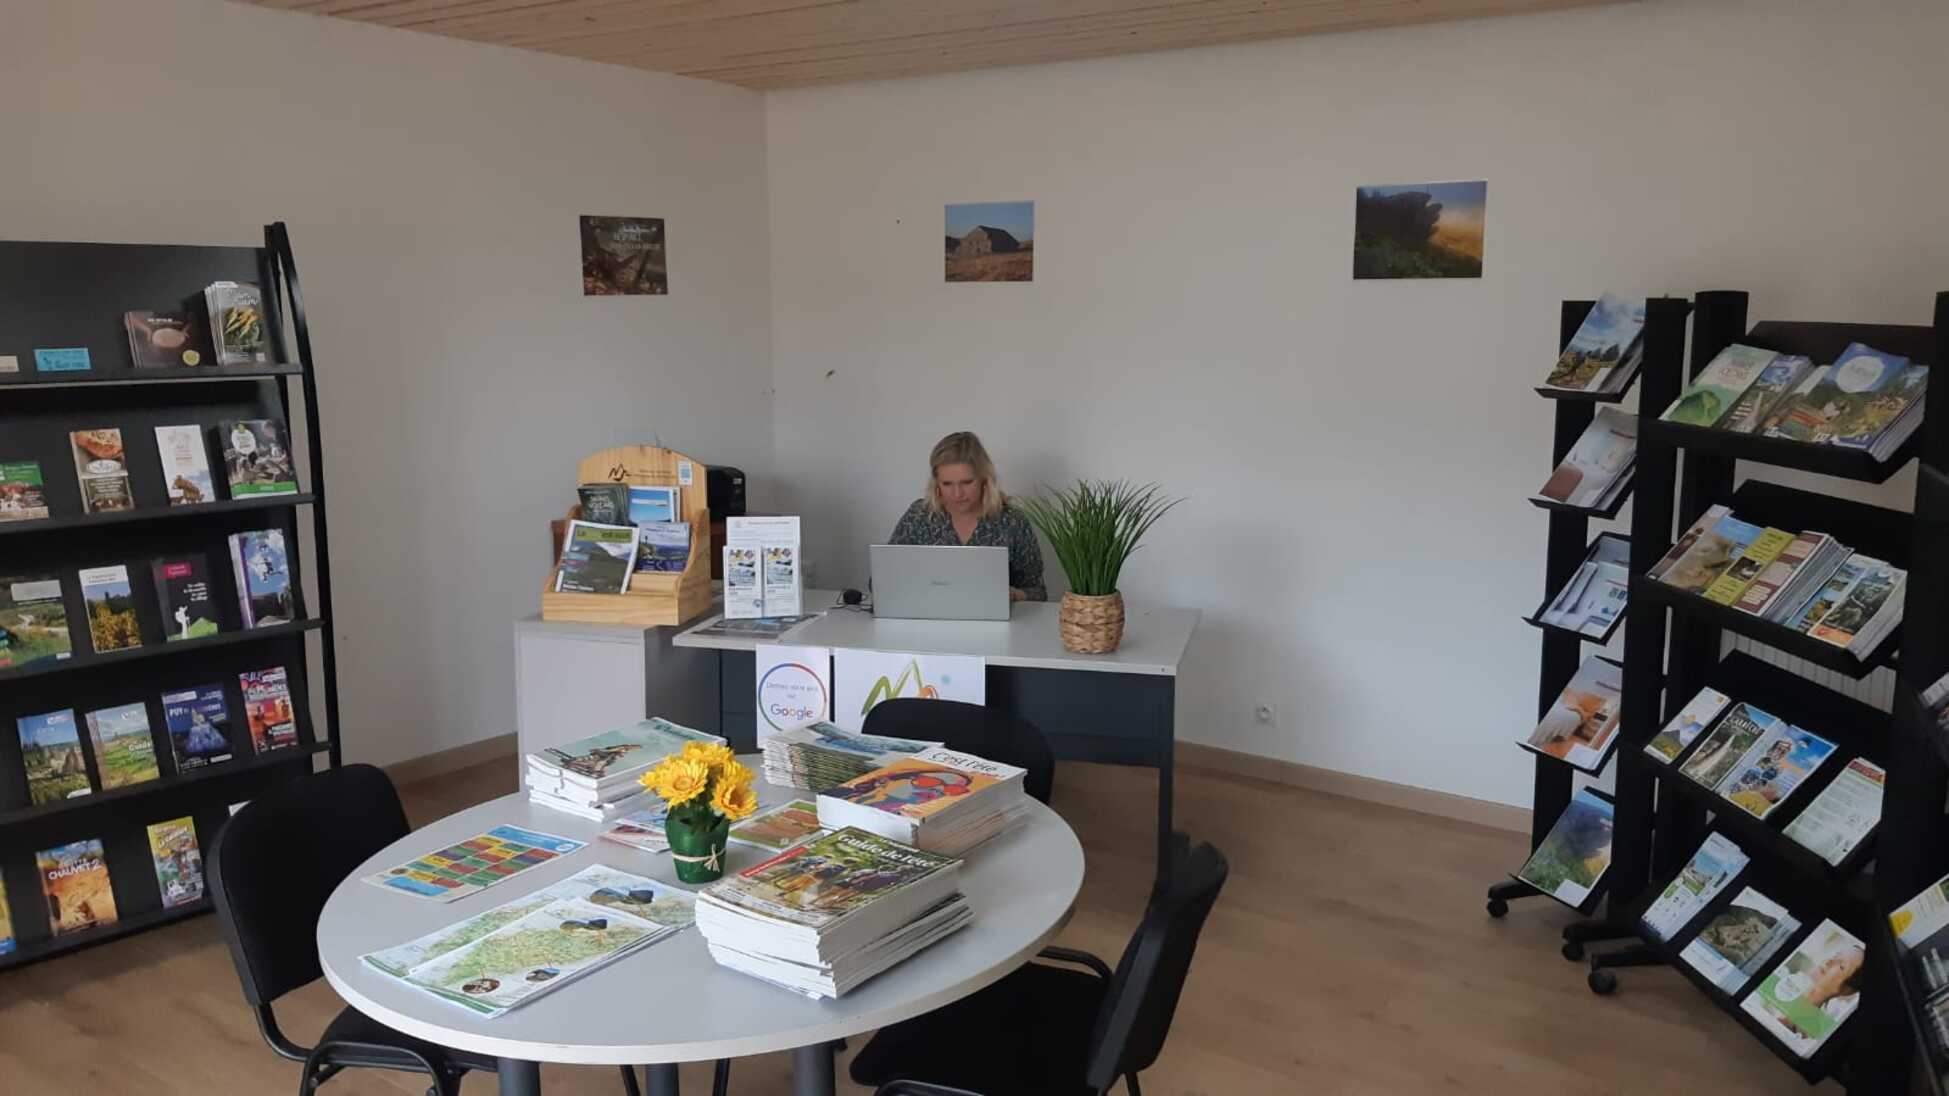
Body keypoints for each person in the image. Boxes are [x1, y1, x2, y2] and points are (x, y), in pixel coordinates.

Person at [888, 431, 1047, 602]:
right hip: (926, 614)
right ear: (936, 483)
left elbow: (1037, 592)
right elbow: (882, 579)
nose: (957, 494)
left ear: (984, 479)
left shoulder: (1012, 521)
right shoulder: (919, 516)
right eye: (947, 484)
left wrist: (1014, 594)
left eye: (967, 482)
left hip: (993, 617)